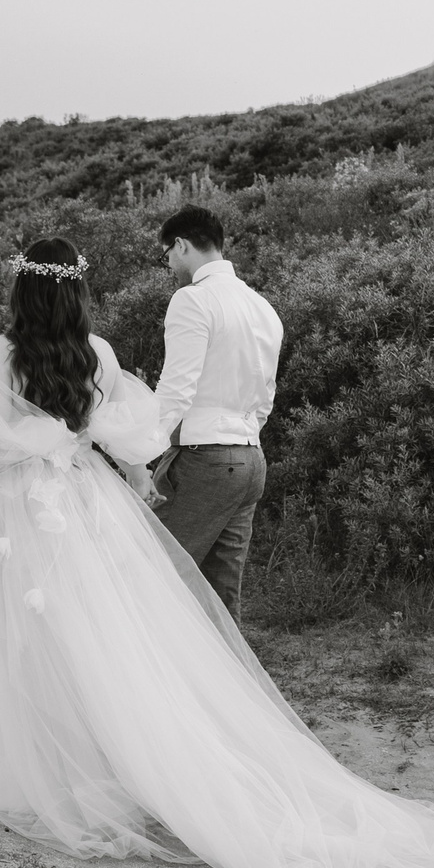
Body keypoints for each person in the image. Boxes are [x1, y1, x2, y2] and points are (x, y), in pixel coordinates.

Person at [0, 235, 434, 868]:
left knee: (30, 634)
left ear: (22, 289)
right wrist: (135, 481)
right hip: (85, 501)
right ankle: (97, 763)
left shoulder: (2, 354)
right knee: (97, 633)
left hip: (23, 509)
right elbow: (120, 433)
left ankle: (41, 771)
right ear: (76, 291)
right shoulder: (98, 353)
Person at [150, 205, 279, 618]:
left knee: (153, 573)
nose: (170, 266)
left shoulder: (192, 300)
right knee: (221, 596)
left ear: (181, 245)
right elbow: (266, 396)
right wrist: (241, 436)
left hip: (205, 461)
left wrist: (140, 452)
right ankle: (229, 662)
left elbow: (176, 389)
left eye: (167, 256)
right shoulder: (263, 307)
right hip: (250, 459)